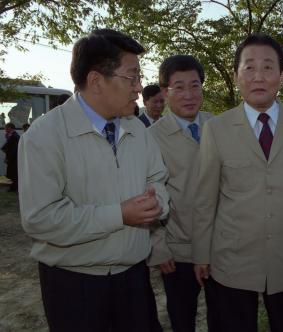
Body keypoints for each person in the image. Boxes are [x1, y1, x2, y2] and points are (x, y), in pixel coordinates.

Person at [17, 29, 170, 332]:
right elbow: (40, 219)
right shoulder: (45, 135)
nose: (139, 88)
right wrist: (119, 215)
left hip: (133, 279)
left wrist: (158, 204)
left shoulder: (137, 130)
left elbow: (159, 179)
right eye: (132, 77)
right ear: (96, 81)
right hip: (74, 286)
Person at [192, 33, 283, 332]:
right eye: (249, 67)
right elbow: (205, 198)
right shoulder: (217, 129)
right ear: (237, 75)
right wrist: (201, 253)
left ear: (281, 75)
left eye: (268, 67)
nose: (258, 76)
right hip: (231, 259)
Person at [148, 55, 218, 332]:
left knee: (224, 317)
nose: (189, 95)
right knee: (182, 318)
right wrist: (158, 246)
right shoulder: (152, 138)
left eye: (195, 85)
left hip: (220, 246)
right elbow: (149, 194)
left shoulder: (219, 126)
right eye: (179, 87)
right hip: (178, 252)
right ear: (165, 92)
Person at [1, 122, 20, 192]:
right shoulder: (12, 136)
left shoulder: (14, 136)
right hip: (12, 158)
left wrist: (8, 158)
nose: (5, 129)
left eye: (6, 127)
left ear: (10, 128)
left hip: (13, 159)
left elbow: (13, 149)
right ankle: (12, 187)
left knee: (13, 173)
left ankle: (13, 187)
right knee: (11, 173)